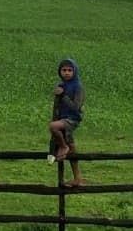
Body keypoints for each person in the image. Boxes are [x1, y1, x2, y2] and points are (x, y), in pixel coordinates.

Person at [48, 58, 84, 186]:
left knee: (53, 127)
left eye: (70, 70)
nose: (67, 73)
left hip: (72, 119)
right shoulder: (61, 86)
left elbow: (76, 107)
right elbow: (56, 105)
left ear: (74, 71)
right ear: (60, 72)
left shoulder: (78, 86)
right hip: (62, 118)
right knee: (72, 149)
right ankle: (77, 178)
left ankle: (63, 146)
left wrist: (63, 96)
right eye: (64, 70)